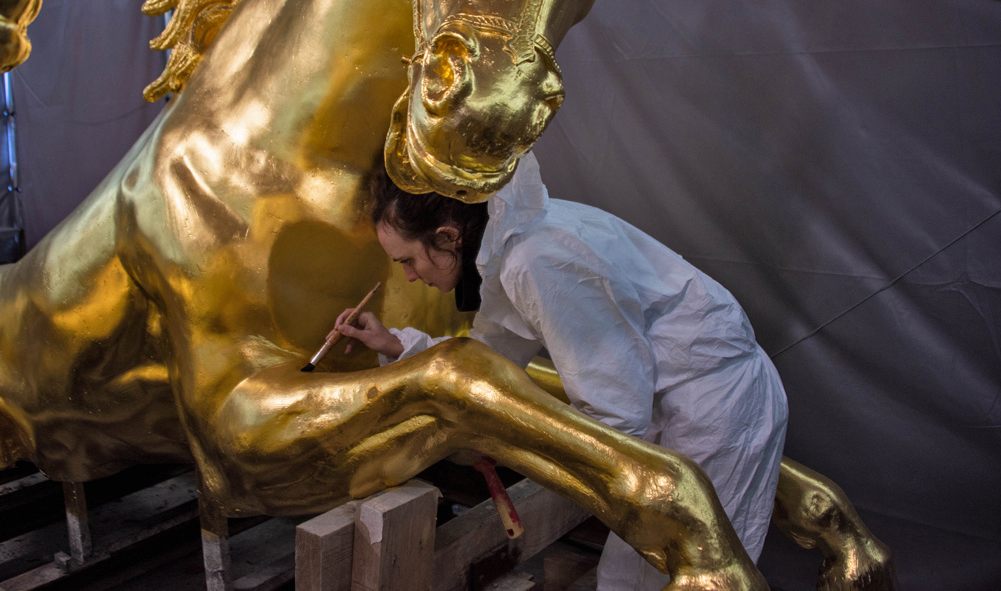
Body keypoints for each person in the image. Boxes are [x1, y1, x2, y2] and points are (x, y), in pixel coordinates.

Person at [335, 153, 788, 590]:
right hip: (671, 403)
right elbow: (488, 359)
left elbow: (616, 412)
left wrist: (507, 439)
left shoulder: (539, 259)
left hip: (716, 409)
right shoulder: (510, 248)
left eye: (408, 260)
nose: (410, 277)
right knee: (631, 578)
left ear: (448, 236)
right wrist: (396, 344)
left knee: (695, 576)